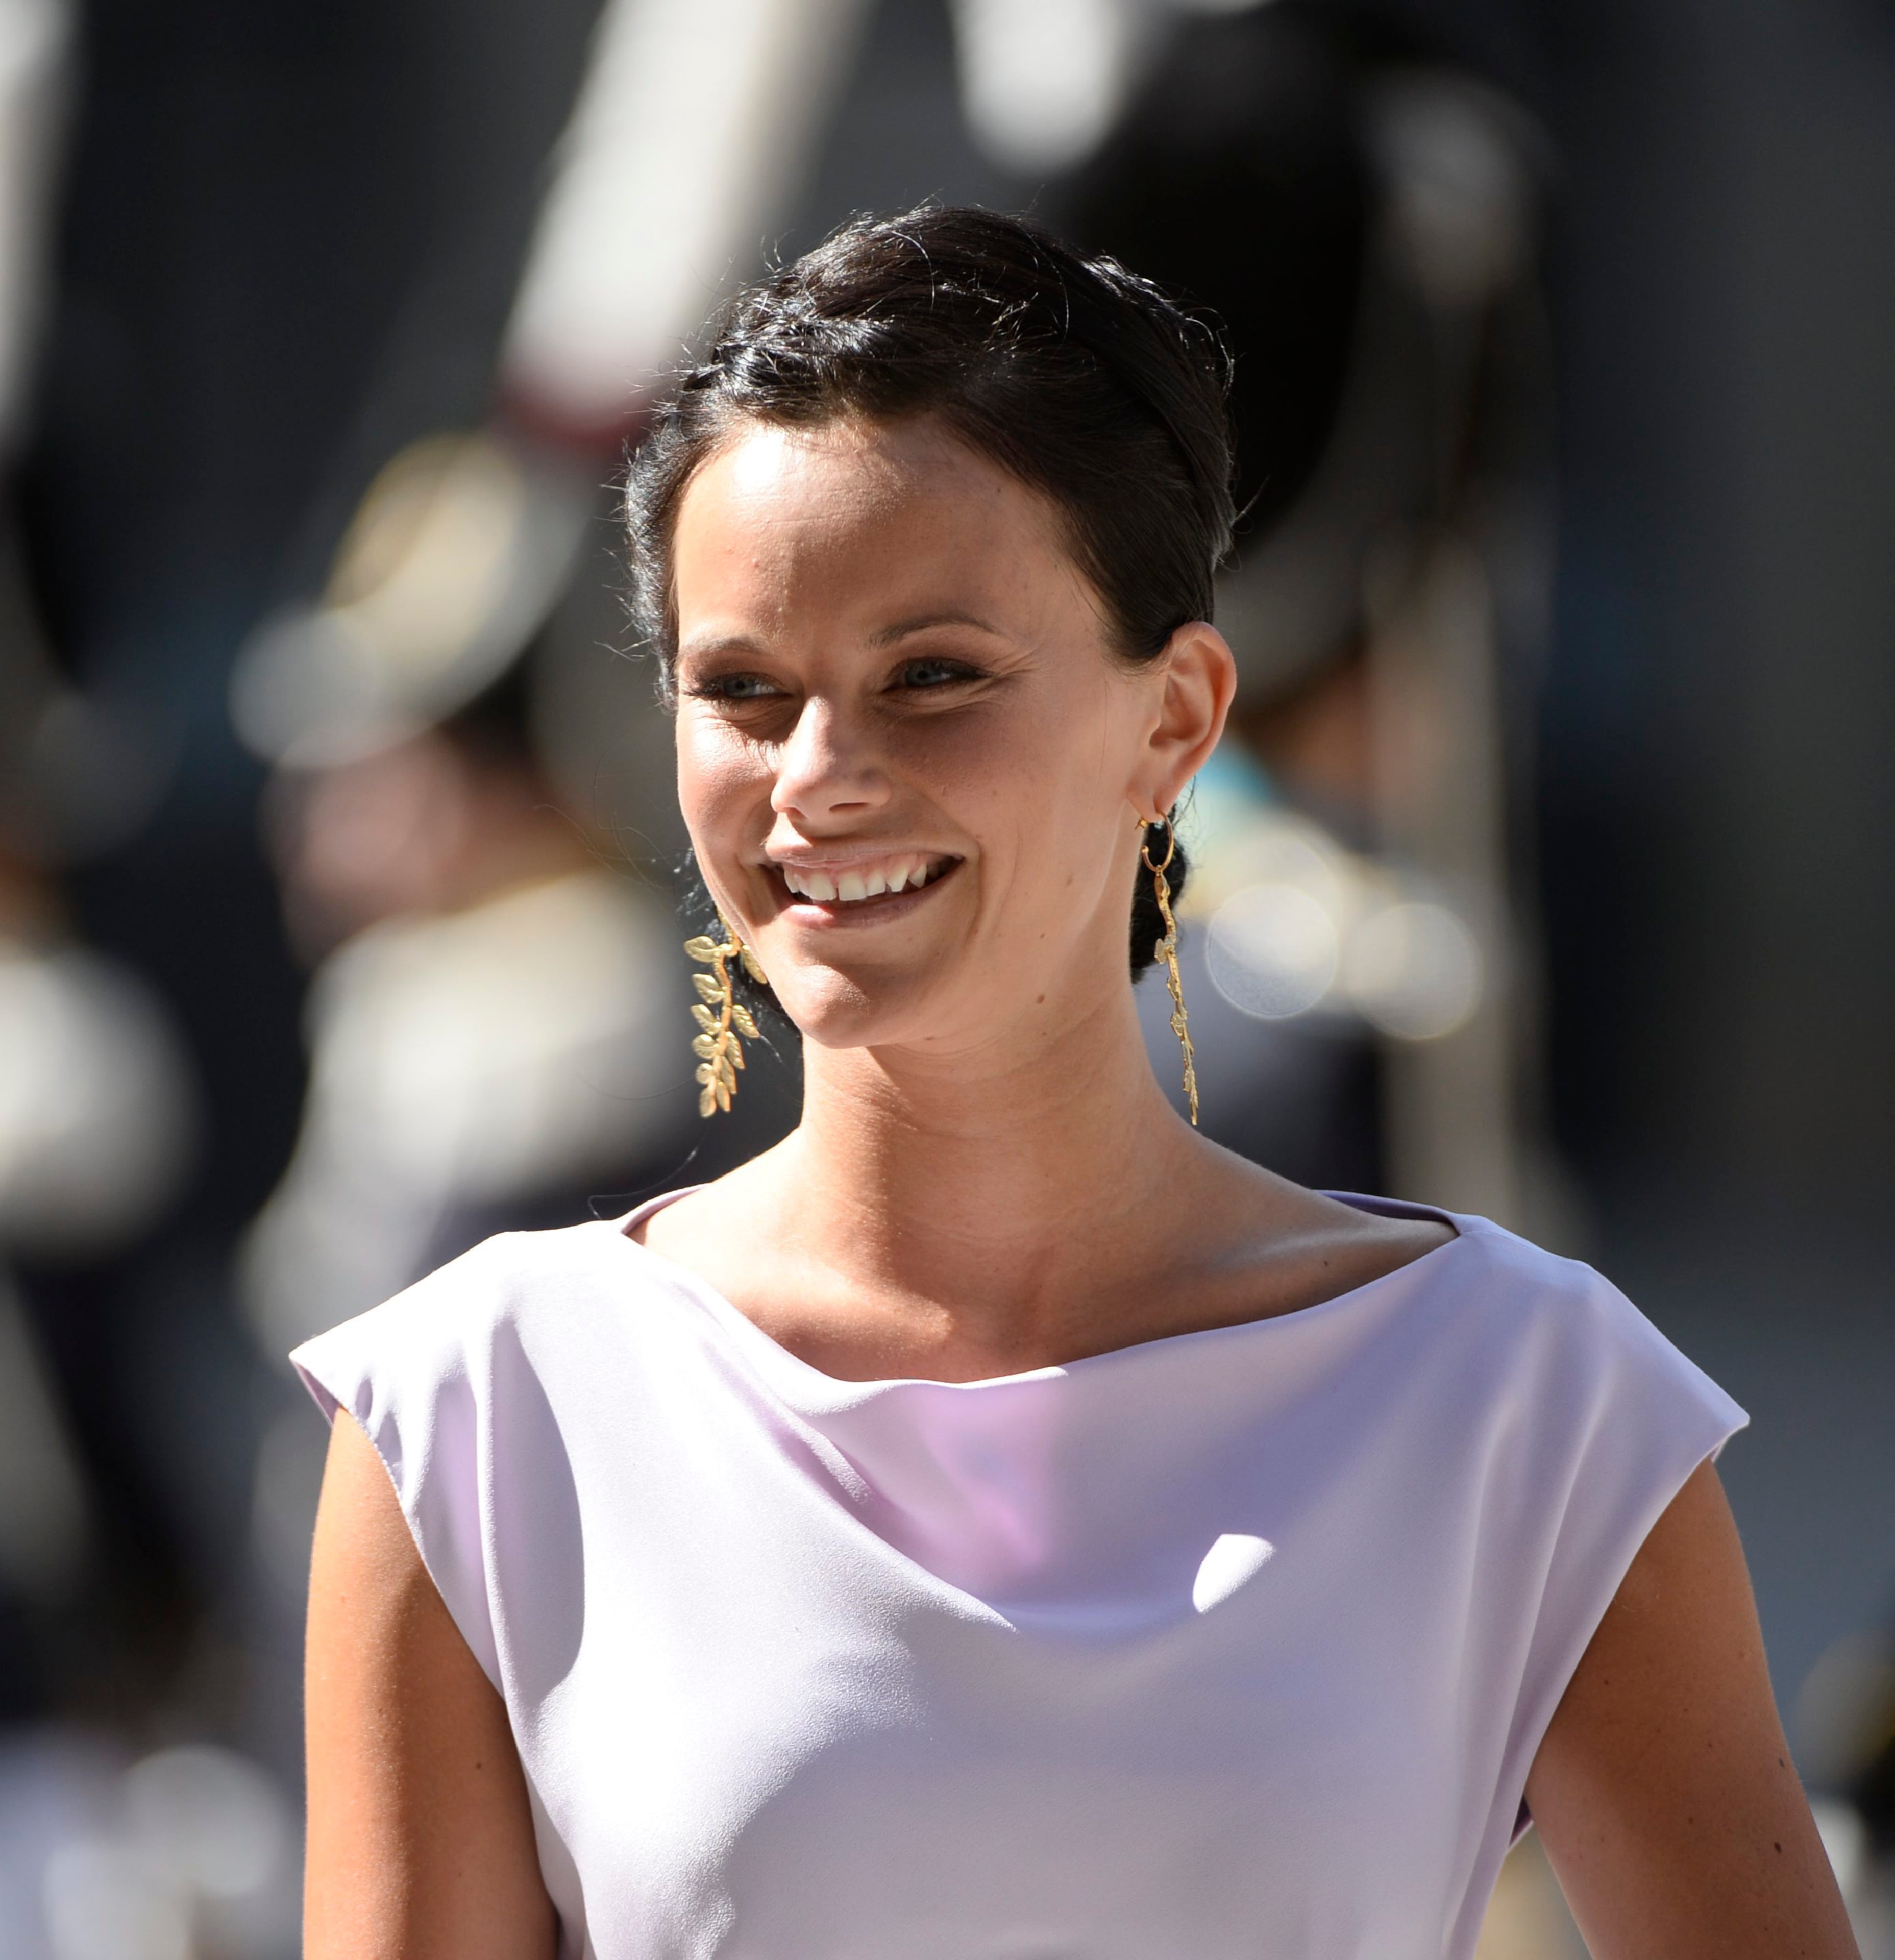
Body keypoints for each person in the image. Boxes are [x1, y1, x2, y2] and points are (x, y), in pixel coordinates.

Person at [294, 208, 1856, 1959]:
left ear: (1176, 717)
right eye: (741, 690)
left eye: (934, 677)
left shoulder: (1526, 1405)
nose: (816, 779)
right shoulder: (482, 1417)